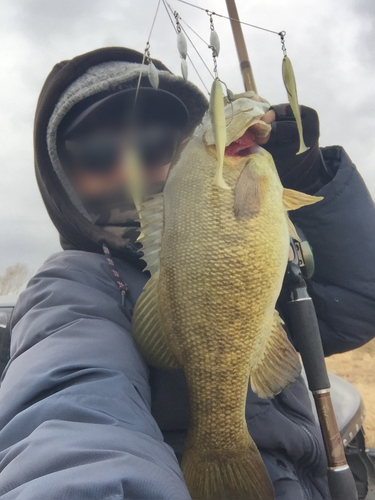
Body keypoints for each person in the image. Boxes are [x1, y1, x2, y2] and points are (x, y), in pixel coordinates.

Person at [0, 46, 374, 500]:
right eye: (97, 151)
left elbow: (354, 309)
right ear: (61, 178)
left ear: (185, 143)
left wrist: (311, 177)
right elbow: (71, 409)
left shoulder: (249, 237)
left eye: (154, 140)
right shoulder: (71, 287)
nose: (129, 164)